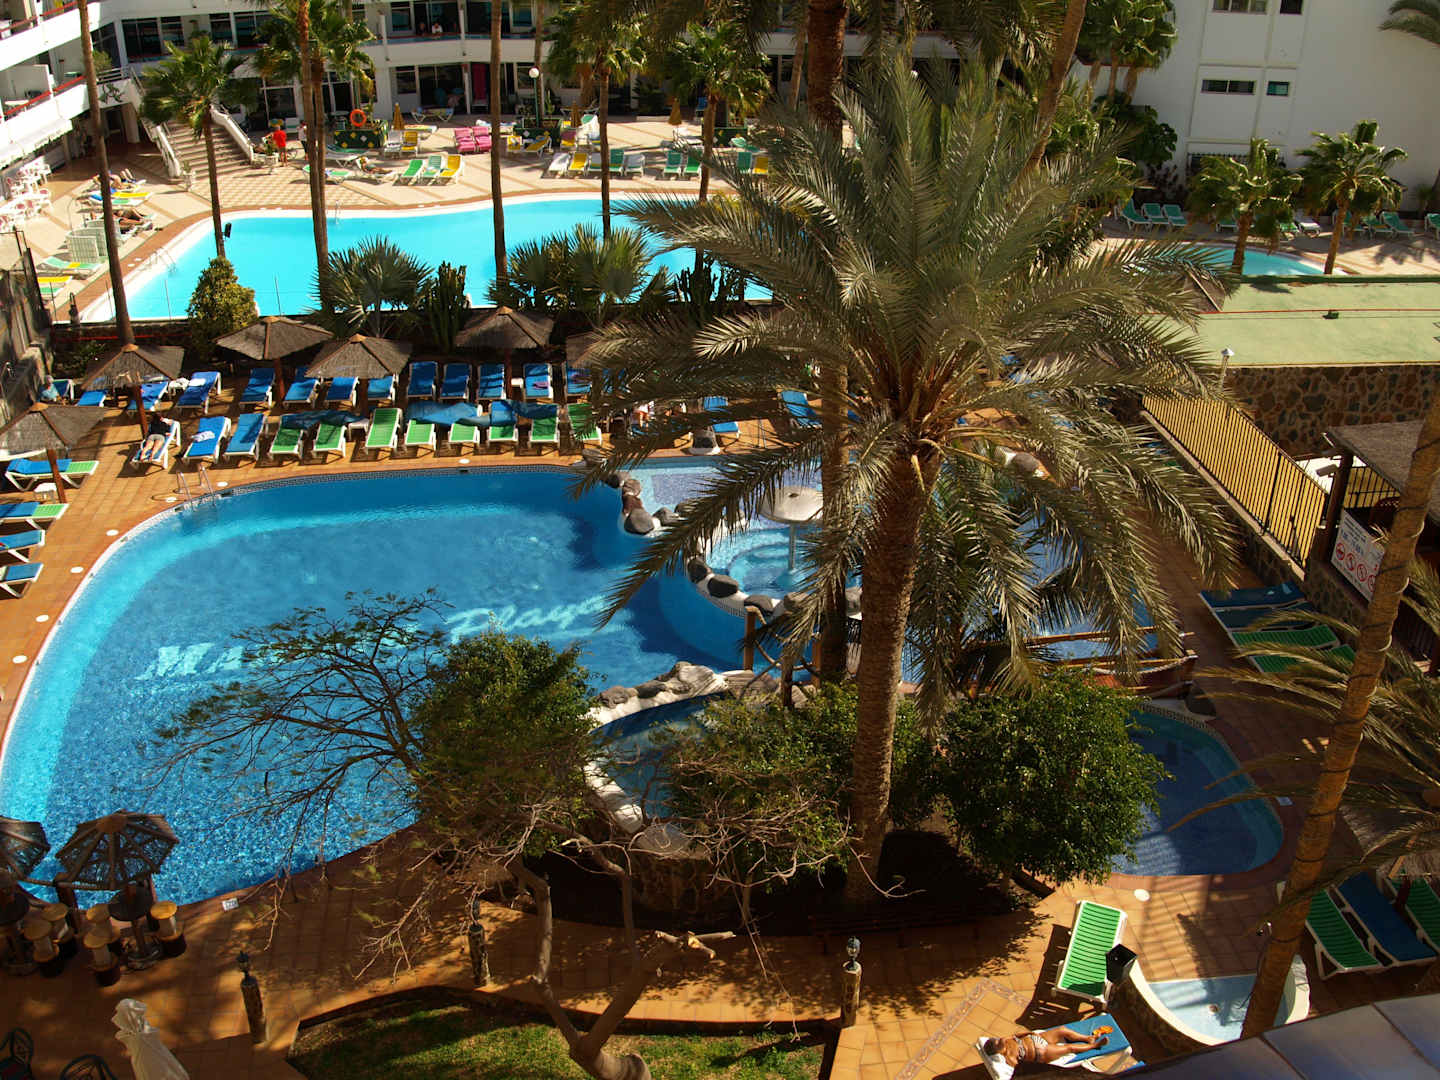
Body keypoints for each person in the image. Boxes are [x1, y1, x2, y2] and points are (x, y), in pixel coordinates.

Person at [981, 1024, 1111, 1079]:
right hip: (1041, 1052)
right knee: (1069, 1048)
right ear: (997, 1052)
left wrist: (1030, 1033)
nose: (999, 1041)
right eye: (997, 1043)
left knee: (1062, 1030)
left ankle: (1087, 1038)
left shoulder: (1004, 1040)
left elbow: (1017, 1035)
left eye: (996, 1040)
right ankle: (1095, 1046)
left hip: (1038, 1038)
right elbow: (1021, 1066)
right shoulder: (1009, 1058)